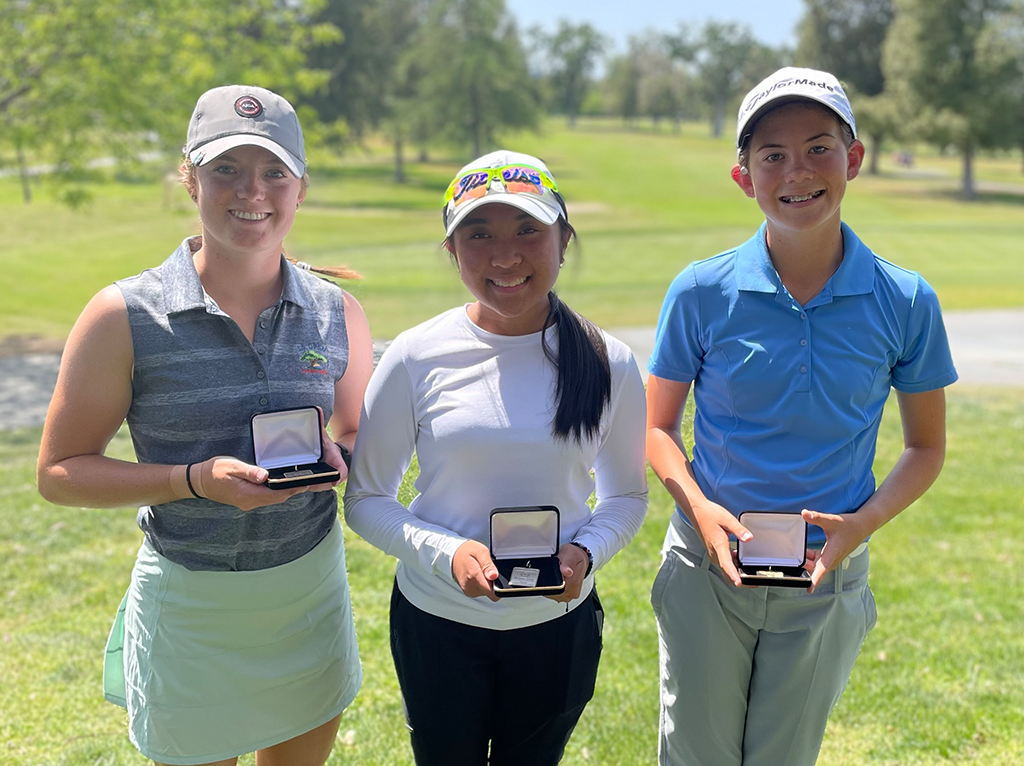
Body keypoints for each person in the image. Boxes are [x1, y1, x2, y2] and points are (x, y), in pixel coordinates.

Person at [36, 85, 373, 766]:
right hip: (191, 603)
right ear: (189, 177)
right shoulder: (122, 315)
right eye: (227, 169)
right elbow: (58, 473)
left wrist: (339, 456)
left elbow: (355, 430)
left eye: (274, 171)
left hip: (306, 592)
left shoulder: (338, 312)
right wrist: (191, 480)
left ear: (300, 187)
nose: (253, 190)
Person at [646, 67, 958, 766]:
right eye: (772, 156)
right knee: (696, 756)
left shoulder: (906, 301)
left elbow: (927, 448)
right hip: (707, 569)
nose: (797, 171)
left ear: (853, 160)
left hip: (828, 571)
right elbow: (656, 427)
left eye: (819, 148)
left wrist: (861, 527)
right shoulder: (700, 290)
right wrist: (699, 509)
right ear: (743, 176)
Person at [343, 150, 648, 766]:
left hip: (556, 628)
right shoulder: (414, 355)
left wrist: (586, 554)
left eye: (528, 231)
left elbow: (626, 499)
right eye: (479, 235)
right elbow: (366, 501)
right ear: (452, 250)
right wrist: (447, 553)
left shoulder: (608, 360)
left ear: (563, 239)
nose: (505, 256)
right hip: (437, 622)